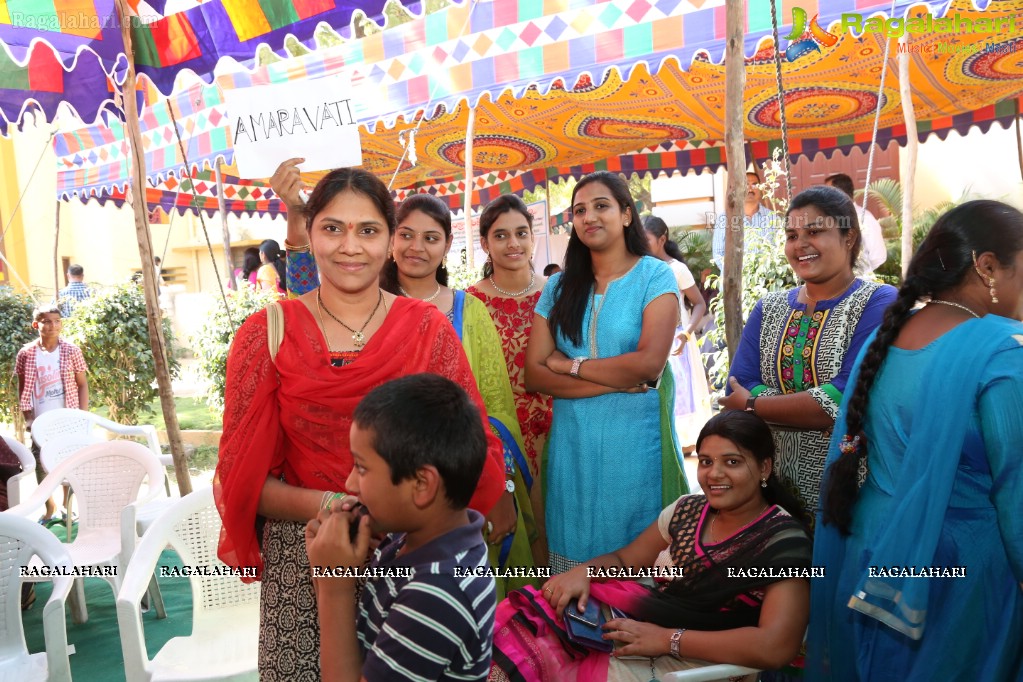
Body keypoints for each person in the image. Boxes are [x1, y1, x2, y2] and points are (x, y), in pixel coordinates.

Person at [214, 166, 506, 681]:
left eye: (368, 230)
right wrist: (336, 507)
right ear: (308, 233)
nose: (351, 246)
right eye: (333, 228)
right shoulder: (266, 334)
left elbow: (469, 447)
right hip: (308, 554)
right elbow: (245, 480)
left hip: (411, 555)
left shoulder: (427, 330)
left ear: (391, 239)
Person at [273, 170, 535, 597]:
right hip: (330, 521)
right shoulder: (356, 295)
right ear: (394, 242)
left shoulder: (462, 311)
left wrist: (500, 482)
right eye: (408, 236)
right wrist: (296, 215)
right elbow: (304, 304)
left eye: (431, 238)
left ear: (447, 246)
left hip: (434, 496)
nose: (417, 247)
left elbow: (487, 407)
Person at [809, 200, 1023, 681]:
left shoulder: (888, 336)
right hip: (963, 565)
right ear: (988, 266)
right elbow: (1016, 487)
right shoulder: (1002, 350)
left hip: (874, 545)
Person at [490, 411, 813, 682]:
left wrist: (666, 640)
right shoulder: (688, 509)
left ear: (764, 468)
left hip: (698, 664)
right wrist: (583, 572)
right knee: (521, 634)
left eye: (732, 462)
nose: (714, 474)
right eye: (705, 461)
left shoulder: (782, 540)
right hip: (639, 632)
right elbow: (626, 559)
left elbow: (776, 646)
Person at [525, 170, 684, 572]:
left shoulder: (655, 276)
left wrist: (571, 365)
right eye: (579, 210)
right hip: (572, 449)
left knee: (633, 577)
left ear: (627, 214)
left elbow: (649, 364)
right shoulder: (558, 289)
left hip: (635, 446)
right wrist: (612, 380)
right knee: (570, 579)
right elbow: (536, 376)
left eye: (601, 206)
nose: (589, 217)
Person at [719, 185, 897, 520]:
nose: (800, 244)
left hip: (851, 486)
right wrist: (808, 405)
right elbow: (736, 383)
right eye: (791, 235)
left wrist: (754, 403)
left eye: (814, 231)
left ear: (849, 238)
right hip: (772, 488)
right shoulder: (768, 308)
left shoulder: (878, 302)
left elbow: (843, 397)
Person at [305, 374, 496, 682]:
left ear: (421, 485)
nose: (349, 483)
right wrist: (328, 566)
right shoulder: (406, 539)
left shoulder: (436, 593)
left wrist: (334, 586)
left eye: (362, 467)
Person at [467, 194, 552, 565]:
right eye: (501, 236)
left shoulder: (559, 294)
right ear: (484, 244)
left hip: (557, 429)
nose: (513, 243)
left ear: (533, 238)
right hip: (503, 438)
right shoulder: (468, 304)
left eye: (521, 233)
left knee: (559, 522)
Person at [15, 304, 89, 521]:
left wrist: (82, 416)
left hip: (67, 419)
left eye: (57, 321)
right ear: (36, 324)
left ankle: (68, 507)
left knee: (68, 462)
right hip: (41, 421)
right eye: (46, 321)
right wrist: (28, 417)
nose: (52, 326)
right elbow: (23, 389)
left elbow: (82, 384)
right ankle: (49, 507)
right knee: (41, 466)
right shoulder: (26, 354)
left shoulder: (71, 350)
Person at [643, 216, 711, 453]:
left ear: (662, 239)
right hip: (650, 340)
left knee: (682, 393)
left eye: (647, 239)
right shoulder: (641, 268)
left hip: (676, 340)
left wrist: (687, 334)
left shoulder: (676, 269)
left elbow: (699, 304)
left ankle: (685, 443)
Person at [824, 173, 887, 276]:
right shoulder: (828, 220)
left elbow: (878, 256)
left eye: (826, 193)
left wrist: (862, 271)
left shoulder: (865, 219)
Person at [711, 171, 774, 273]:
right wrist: (735, 274)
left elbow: (779, 250)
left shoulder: (773, 218)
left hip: (767, 281)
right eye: (745, 184)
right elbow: (718, 254)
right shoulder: (725, 218)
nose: (750, 188)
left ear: (761, 189)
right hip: (734, 283)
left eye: (754, 184)